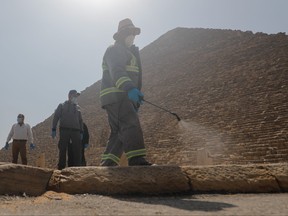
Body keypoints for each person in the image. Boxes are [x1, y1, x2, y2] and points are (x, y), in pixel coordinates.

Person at [99, 18, 152, 166]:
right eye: (129, 32)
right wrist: (129, 88)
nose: (132, 36)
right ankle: (137, 159)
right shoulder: (115, 49)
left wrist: (135, 93)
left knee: (118, 132)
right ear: (121, 34)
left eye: (134, 33)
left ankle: (108, 163)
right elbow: (117, 71)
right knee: (130, 124)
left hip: (119, 96)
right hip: (118, 95)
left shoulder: (129, 52)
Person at [51, 90, 83, 170]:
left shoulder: (77, 107)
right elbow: (56, 117)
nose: (76, 98)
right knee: (62, 149)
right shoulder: (62, 105)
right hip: (64, 130)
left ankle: (77, 168)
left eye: (77, 96)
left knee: (77, 149)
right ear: (70, 96)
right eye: (75, 96)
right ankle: (61, 168)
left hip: (76, 131)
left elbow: (80, 120)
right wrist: (53, 128)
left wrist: (81, 131)